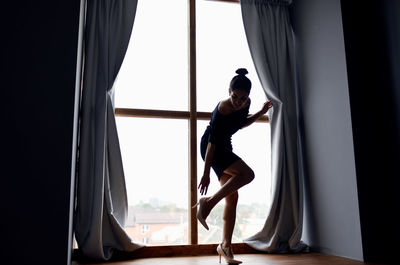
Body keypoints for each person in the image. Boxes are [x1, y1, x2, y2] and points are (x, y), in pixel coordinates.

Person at [194, 68, 273, 264]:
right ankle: (208, 203)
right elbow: (212, 144)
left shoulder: (246, 104)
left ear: (248, 97)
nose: (238, 101)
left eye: (243, 98)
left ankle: (225, 247)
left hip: (225, 146)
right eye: (235, 96)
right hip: (212, 148)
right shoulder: (222, 109)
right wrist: (206, 173)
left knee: (233, 196)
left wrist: (260, 113)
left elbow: (241, 123)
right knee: (248, 175)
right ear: (229, 92)